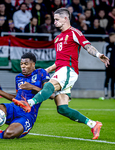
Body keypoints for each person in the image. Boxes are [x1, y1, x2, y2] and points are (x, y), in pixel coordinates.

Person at [12, 8, 110, 140]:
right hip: (61, 70)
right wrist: (47, 70)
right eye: (54, 20)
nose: (55, 22)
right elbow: (58, 62)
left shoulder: (74, 32)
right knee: (62, 108)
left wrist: (98, 55)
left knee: (49, 86)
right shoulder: (57, 38)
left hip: (69, 70)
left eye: (57, 19)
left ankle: (29, 103)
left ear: (66, 19)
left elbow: (87, 46)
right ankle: (93, 124)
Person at [103, 32, 115, 99]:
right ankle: (106, 94)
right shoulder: (106, 45)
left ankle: (113, 95)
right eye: (112, 37)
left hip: (114, 67)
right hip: (108, 66)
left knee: (113, 81)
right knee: (107, 80)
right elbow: (104, 55)